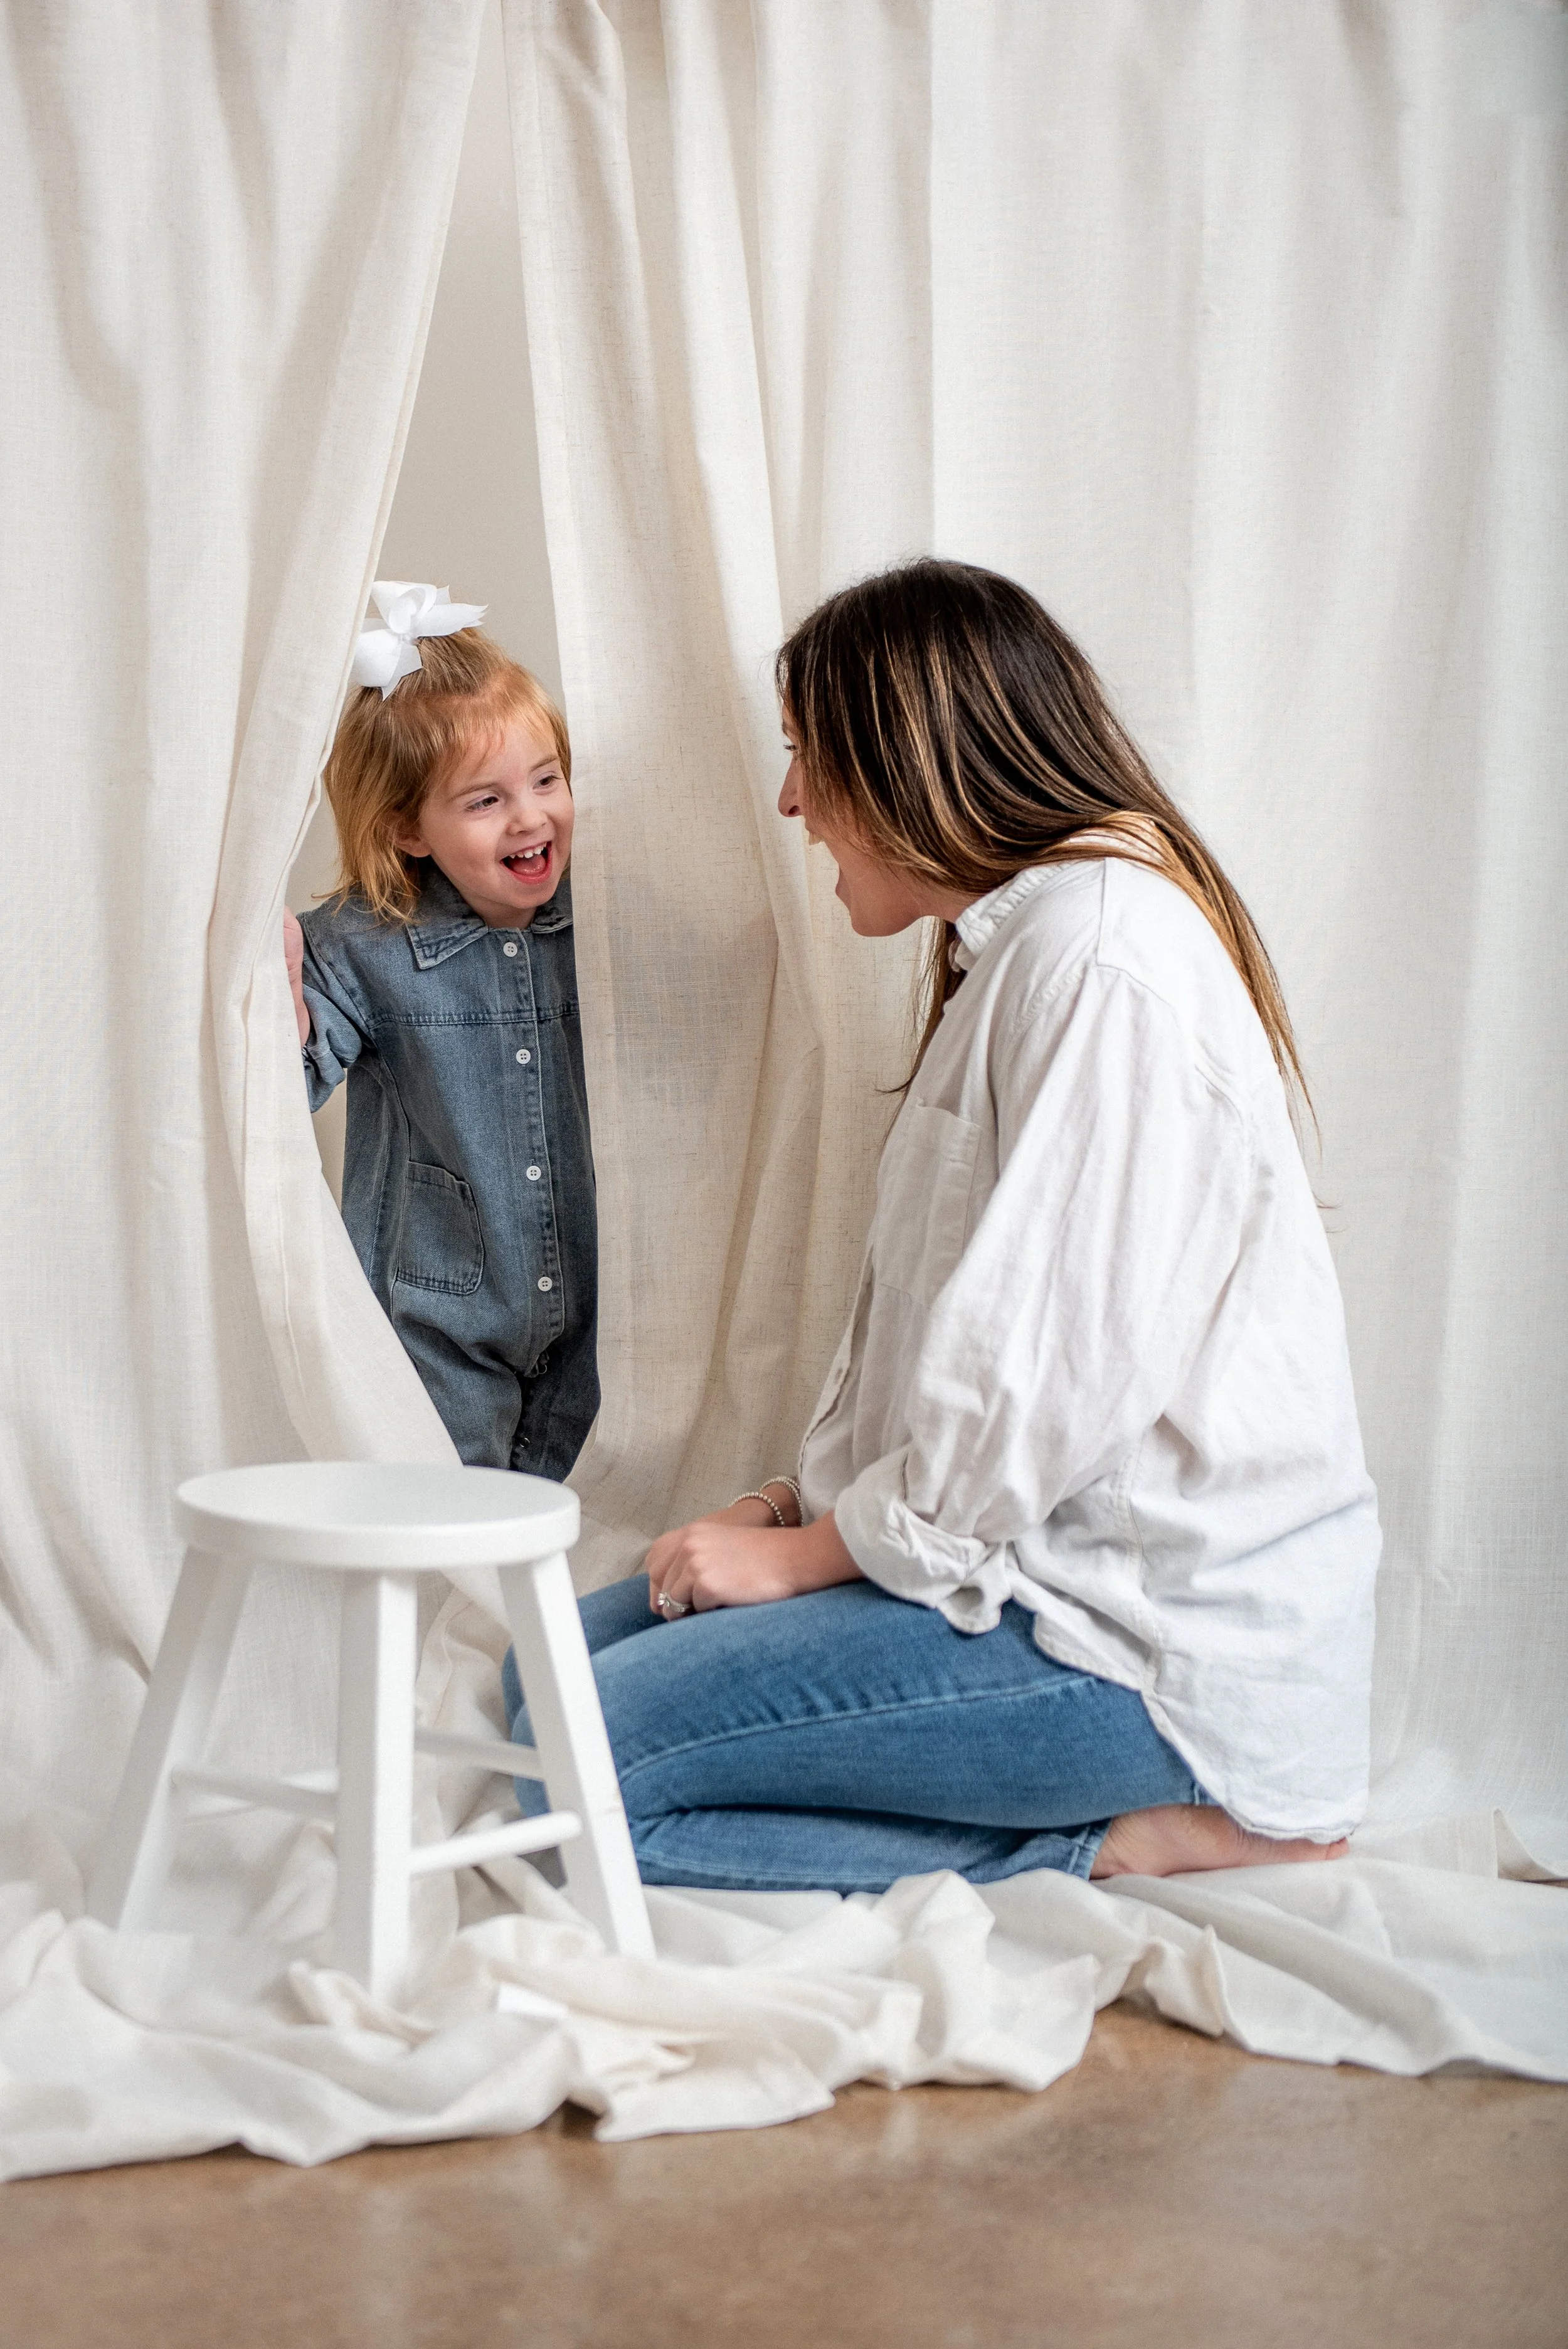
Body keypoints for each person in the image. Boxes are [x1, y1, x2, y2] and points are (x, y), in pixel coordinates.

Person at [506, 558, 1381, 1891]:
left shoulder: (1100, 964)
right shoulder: (1017, 956)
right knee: (531, 1692)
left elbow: (1042, 1374)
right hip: (1006, 1568)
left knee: (575, 1775)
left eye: (808, 755)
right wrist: (789, 1502)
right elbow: (948, 1340)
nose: (791, 800)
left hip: (1126, 1643)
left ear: (908, 756)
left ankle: (1132, 1837)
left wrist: (803, 1561)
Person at [283, 582, 596, 1479]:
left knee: (572, 1537)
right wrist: (267, 983)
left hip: (595, 1318)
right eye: (485, 801)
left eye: (546, 780)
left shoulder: (607, 927)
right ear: (406, 831)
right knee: (442, 1544)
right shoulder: (359, 943)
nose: (531, 815)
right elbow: (280, 1092)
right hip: (434, 1324)